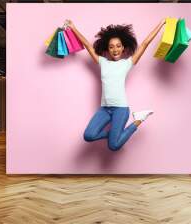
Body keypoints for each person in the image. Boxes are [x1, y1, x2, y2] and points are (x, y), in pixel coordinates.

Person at [66, 19, 166, 151]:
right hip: (104, 109)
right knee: (88, 135)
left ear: (123, 47)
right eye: (111, 46)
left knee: (114, 145)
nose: (115, 49)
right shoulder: (102, 62)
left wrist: (161, 23)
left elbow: (145, 43)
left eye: (118, 46)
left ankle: (139, 119)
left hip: (120, 109)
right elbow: (86, 44)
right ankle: (114, 135)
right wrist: (73, 27)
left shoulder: (127, 63)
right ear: (107, 49)